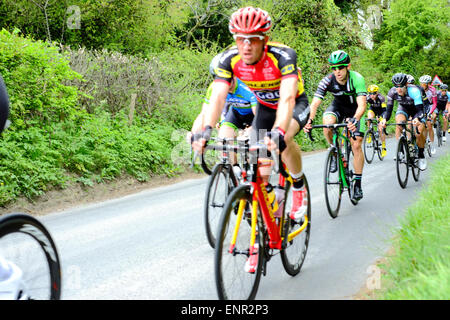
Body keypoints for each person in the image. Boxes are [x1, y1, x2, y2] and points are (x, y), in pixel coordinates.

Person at [191, 6, 310, 223]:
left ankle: (299, 185)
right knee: (260, 173)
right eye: (240, 38)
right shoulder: (228, 59)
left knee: (283, 140)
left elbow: (287, 98)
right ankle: (268, 214)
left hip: (292, 105)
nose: (246, 46)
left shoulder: (283, 56)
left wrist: (279, 131)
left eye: (253, 39)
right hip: (265, 108)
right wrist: (206, 130)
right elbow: (217, 97)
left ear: (265, 39)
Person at [304, 50, 366, 201]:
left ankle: (357, 183)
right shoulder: (327, 81)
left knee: (356, 144)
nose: (337, 71)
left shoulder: (357, 79)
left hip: (355, 111)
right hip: (337, 107)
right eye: (334, 68)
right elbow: (315, 104)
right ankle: (334, 150)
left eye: (340, 67)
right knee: (327, 124)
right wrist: (309, 121)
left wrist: (356, 120)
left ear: (348, 67)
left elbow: (362, 105)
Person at [383, 73, 427, 170]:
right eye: (396, 87)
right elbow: (388, 110)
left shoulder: (414, 91)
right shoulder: (392, 92)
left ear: (406, 85)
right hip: (404, 108)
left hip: (416, 110)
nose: (398, 89)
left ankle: (421, 155)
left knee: (418, 133)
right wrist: (384, 120)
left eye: (401, 87)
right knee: (399, 122)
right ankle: (401, 150)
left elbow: (420, 110)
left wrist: (417, 119)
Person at [366, 84, 387, 157]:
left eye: (374, 93)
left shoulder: (381, 98)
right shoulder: (368, 98)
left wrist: (381, 117)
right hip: (373, 110)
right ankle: (369, 133)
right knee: (369, 118)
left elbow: (385, 110)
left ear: (377, 93)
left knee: (380, 129)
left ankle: (384, 147)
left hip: (381, 112)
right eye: (370, 93)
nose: (372, 95)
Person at [419, 75, 437, 153]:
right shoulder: (418, 89)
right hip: (422, 106)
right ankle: (423, 142)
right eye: (421, 83)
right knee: (422, 125)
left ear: (427, 84)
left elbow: (435, 103)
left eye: (424, 84)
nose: (422, 85)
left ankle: (432, 144)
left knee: (429, 125)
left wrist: (430, 112)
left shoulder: (432, 90)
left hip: (430, 105)